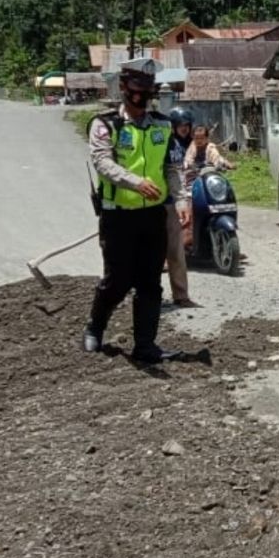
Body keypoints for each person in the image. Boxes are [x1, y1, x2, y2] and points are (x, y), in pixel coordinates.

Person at [83, 58, 189, 363]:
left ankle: (146, 345)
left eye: (148, 90)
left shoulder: (162, 124)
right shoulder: (105, 125)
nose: (142, 96)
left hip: (152, 215)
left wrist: (180, 200)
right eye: (136, 89)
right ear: (124, 88)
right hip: (118, 215)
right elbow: (102, 163)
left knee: (149, 282)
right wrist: (134, 182)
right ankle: (95, 327)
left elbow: (171, 167)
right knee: (117, 280)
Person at [165, 107, 197, 308]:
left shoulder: (189, 143)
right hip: (162, 199)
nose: (184, 129)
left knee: (176, 250)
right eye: (181, 126)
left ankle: (181, 295)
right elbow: (170, 171)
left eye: (187, 126)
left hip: (177, 196)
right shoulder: (166, 143)